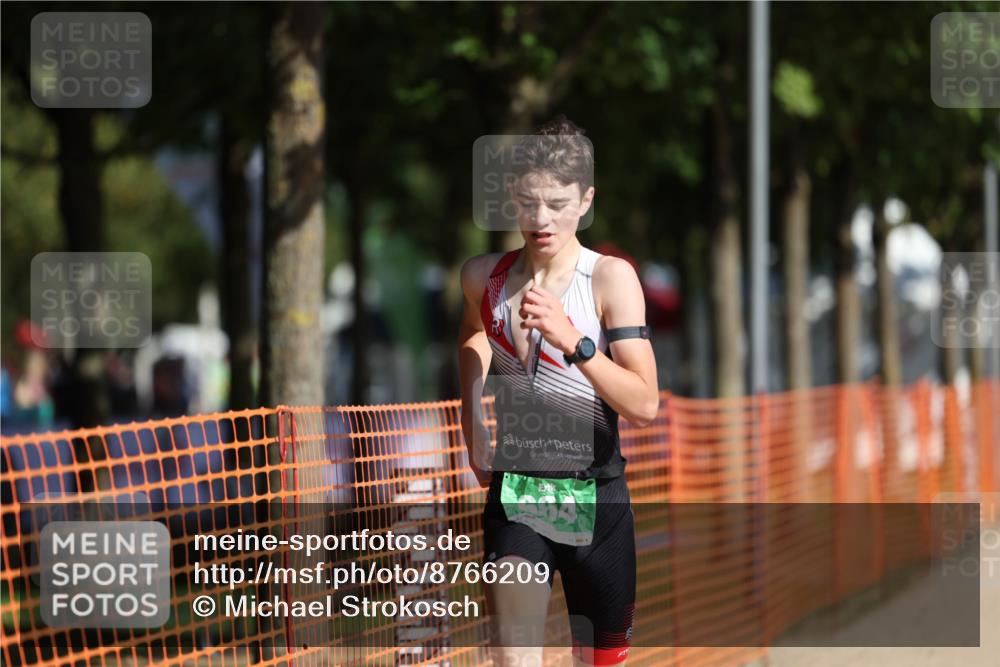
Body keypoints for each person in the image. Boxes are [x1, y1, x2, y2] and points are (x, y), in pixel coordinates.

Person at [458, 117, 659, 666]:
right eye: (528, 202)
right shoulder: (484, 278)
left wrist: (574, 341)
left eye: (557, 203)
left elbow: (644, 404)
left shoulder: (609, 279)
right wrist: (473, 422)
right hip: (519, 495)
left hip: (598, 499)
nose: (541, 219)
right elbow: (473, 335)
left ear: (586, 201)